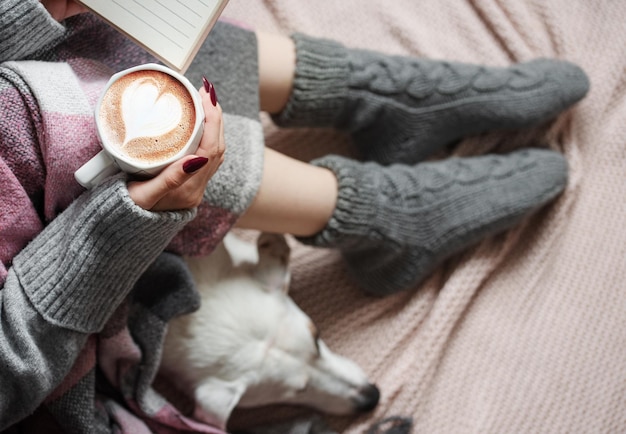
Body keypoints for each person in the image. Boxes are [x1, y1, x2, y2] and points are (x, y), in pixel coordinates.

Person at [0, 0, 589, 433]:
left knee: (126, 28)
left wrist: (37, 9)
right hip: (49, 297)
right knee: (96, 119)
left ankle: (383, 97)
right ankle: (380, 213)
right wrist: (120, 227)